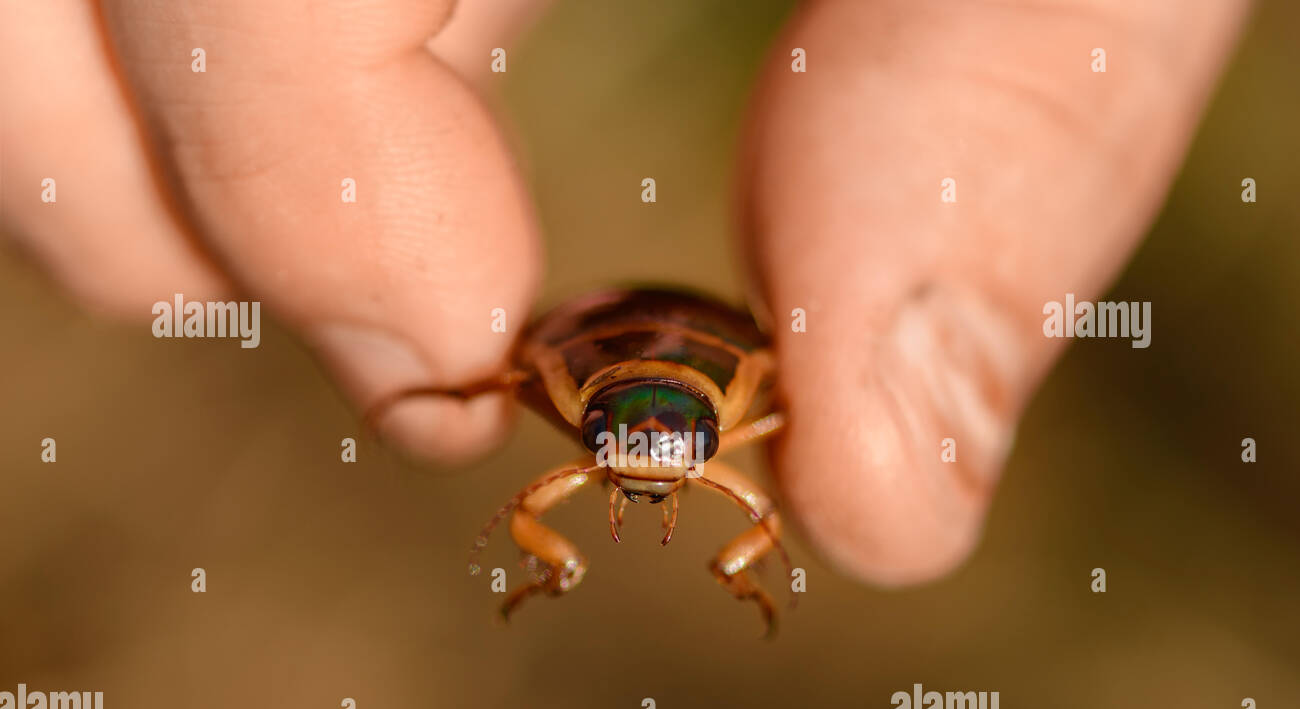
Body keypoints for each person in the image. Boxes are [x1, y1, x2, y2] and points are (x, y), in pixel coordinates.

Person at [0, 0, 1248, 584]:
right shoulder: (718, 438)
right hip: (641, 340)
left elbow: (536, 384)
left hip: (626, 335)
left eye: (647, 447)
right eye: (639, 448)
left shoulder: (647, 428)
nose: (648, 464)